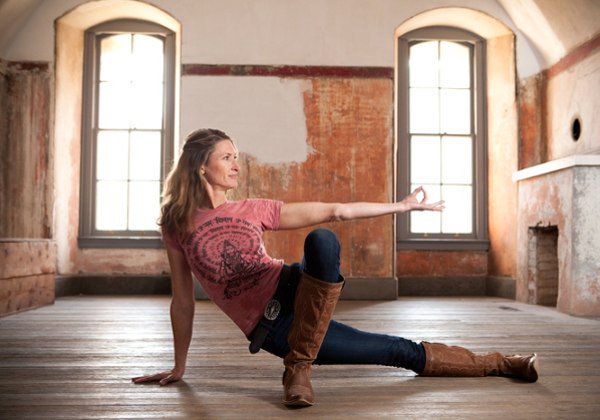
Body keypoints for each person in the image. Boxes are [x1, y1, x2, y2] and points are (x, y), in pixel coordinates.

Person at [132, 128, 539, 407]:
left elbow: (336, 210)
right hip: (273, 328)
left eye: (237, 157)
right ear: (202, 166)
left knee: (322, 239)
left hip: (296, 288)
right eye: (227, 157)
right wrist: (179, 366)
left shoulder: (253, 209)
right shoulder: (176, 222)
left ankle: (500, 363)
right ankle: (300, 361)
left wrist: (402, 206)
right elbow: (182, 301)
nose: (237, 165)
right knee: (397, 351)